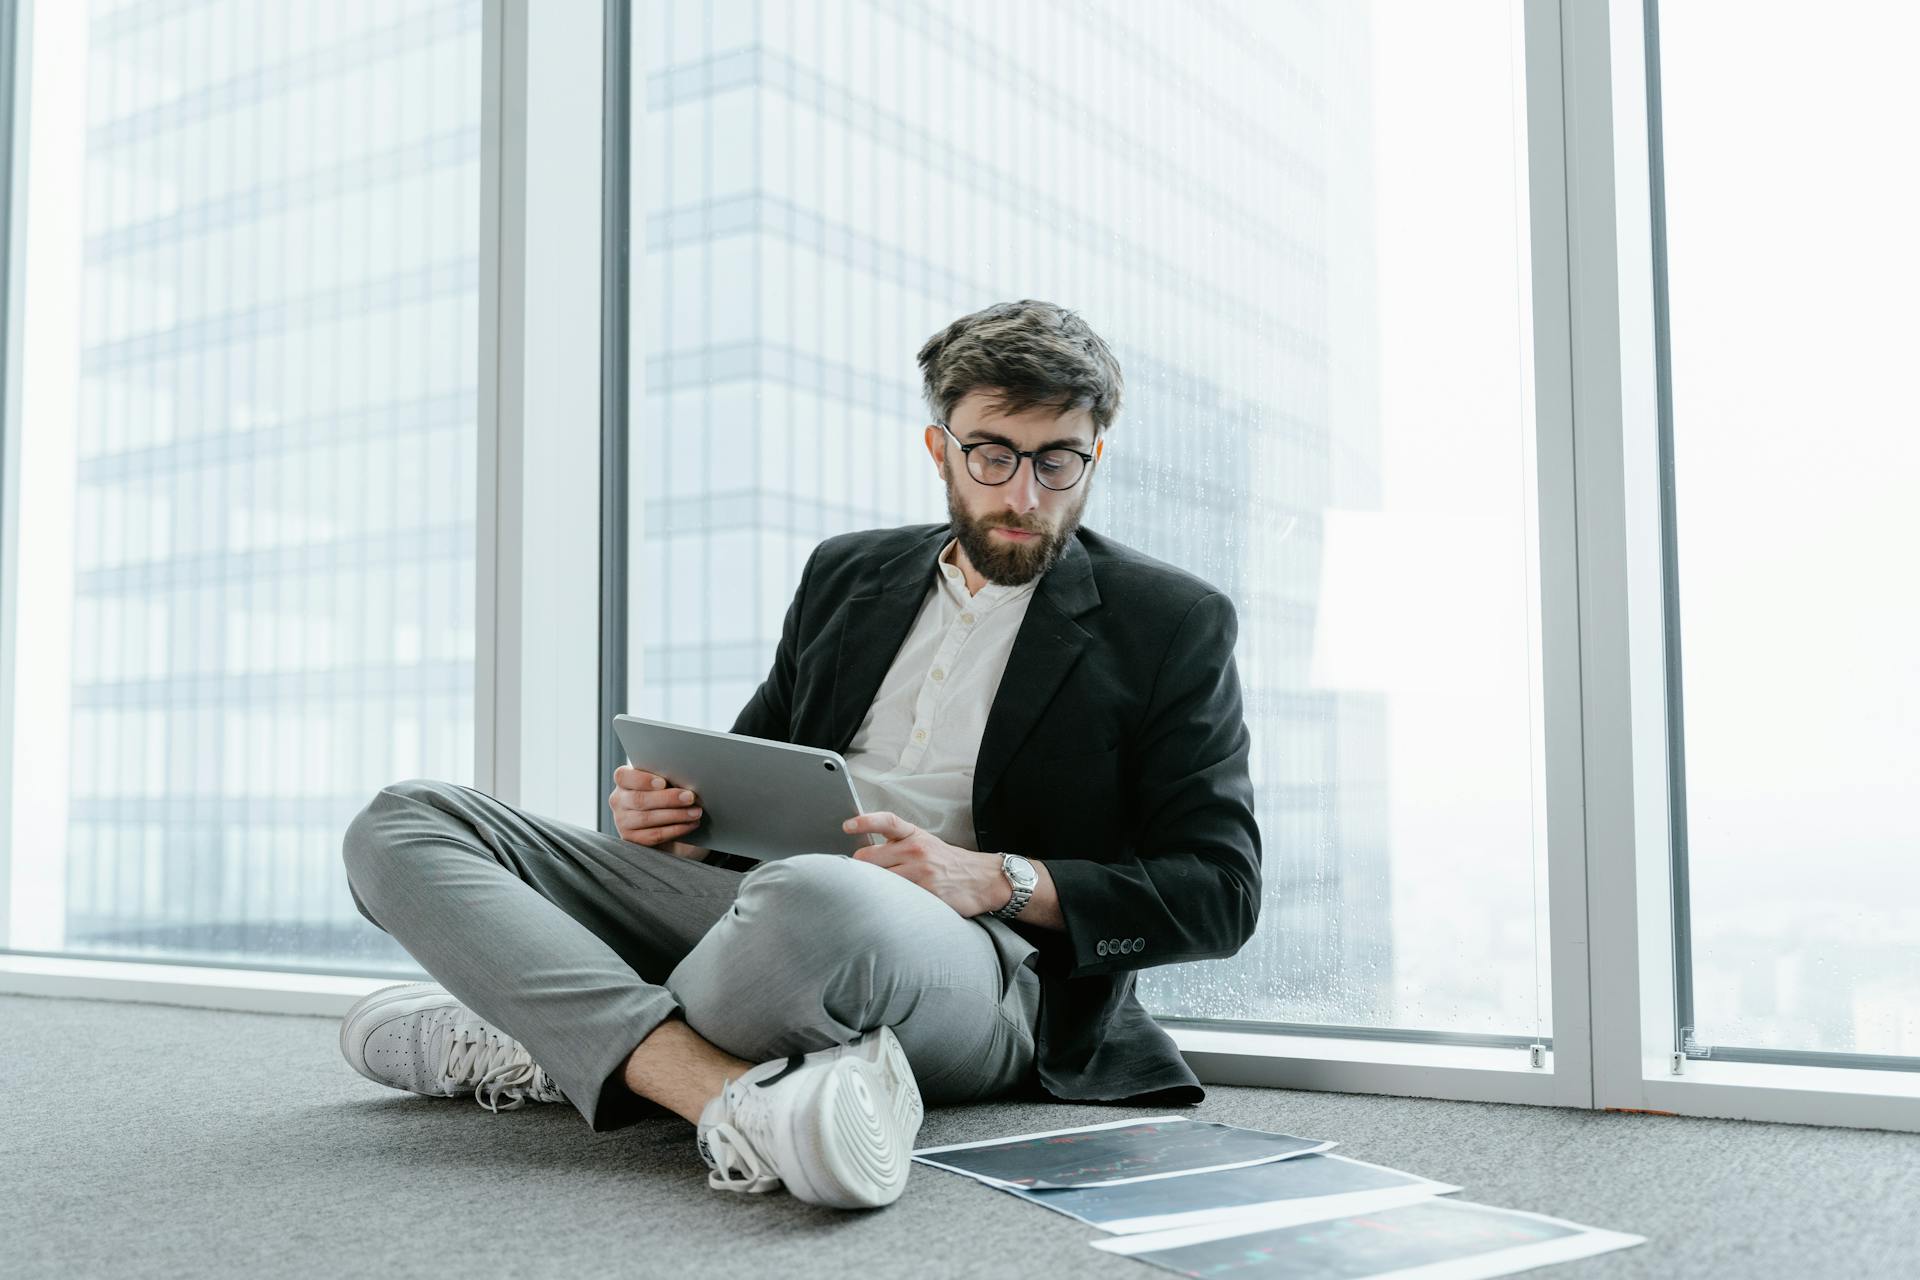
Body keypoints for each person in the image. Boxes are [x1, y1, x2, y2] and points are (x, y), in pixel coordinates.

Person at [337, 298, 1261, 1211]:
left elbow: (1220, 893)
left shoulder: (1171, 622)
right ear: (939, 449)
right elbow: (754, 782)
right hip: (762, 916)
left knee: (813, 897)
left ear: (1093, 454)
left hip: (977, 965)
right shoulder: (847, 574)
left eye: (1058, 461)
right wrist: (681, 826)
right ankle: (714, 1092)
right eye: (993, 455)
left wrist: (995, 879)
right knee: (402, 821)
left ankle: (549, 1032)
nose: (1024, 495)